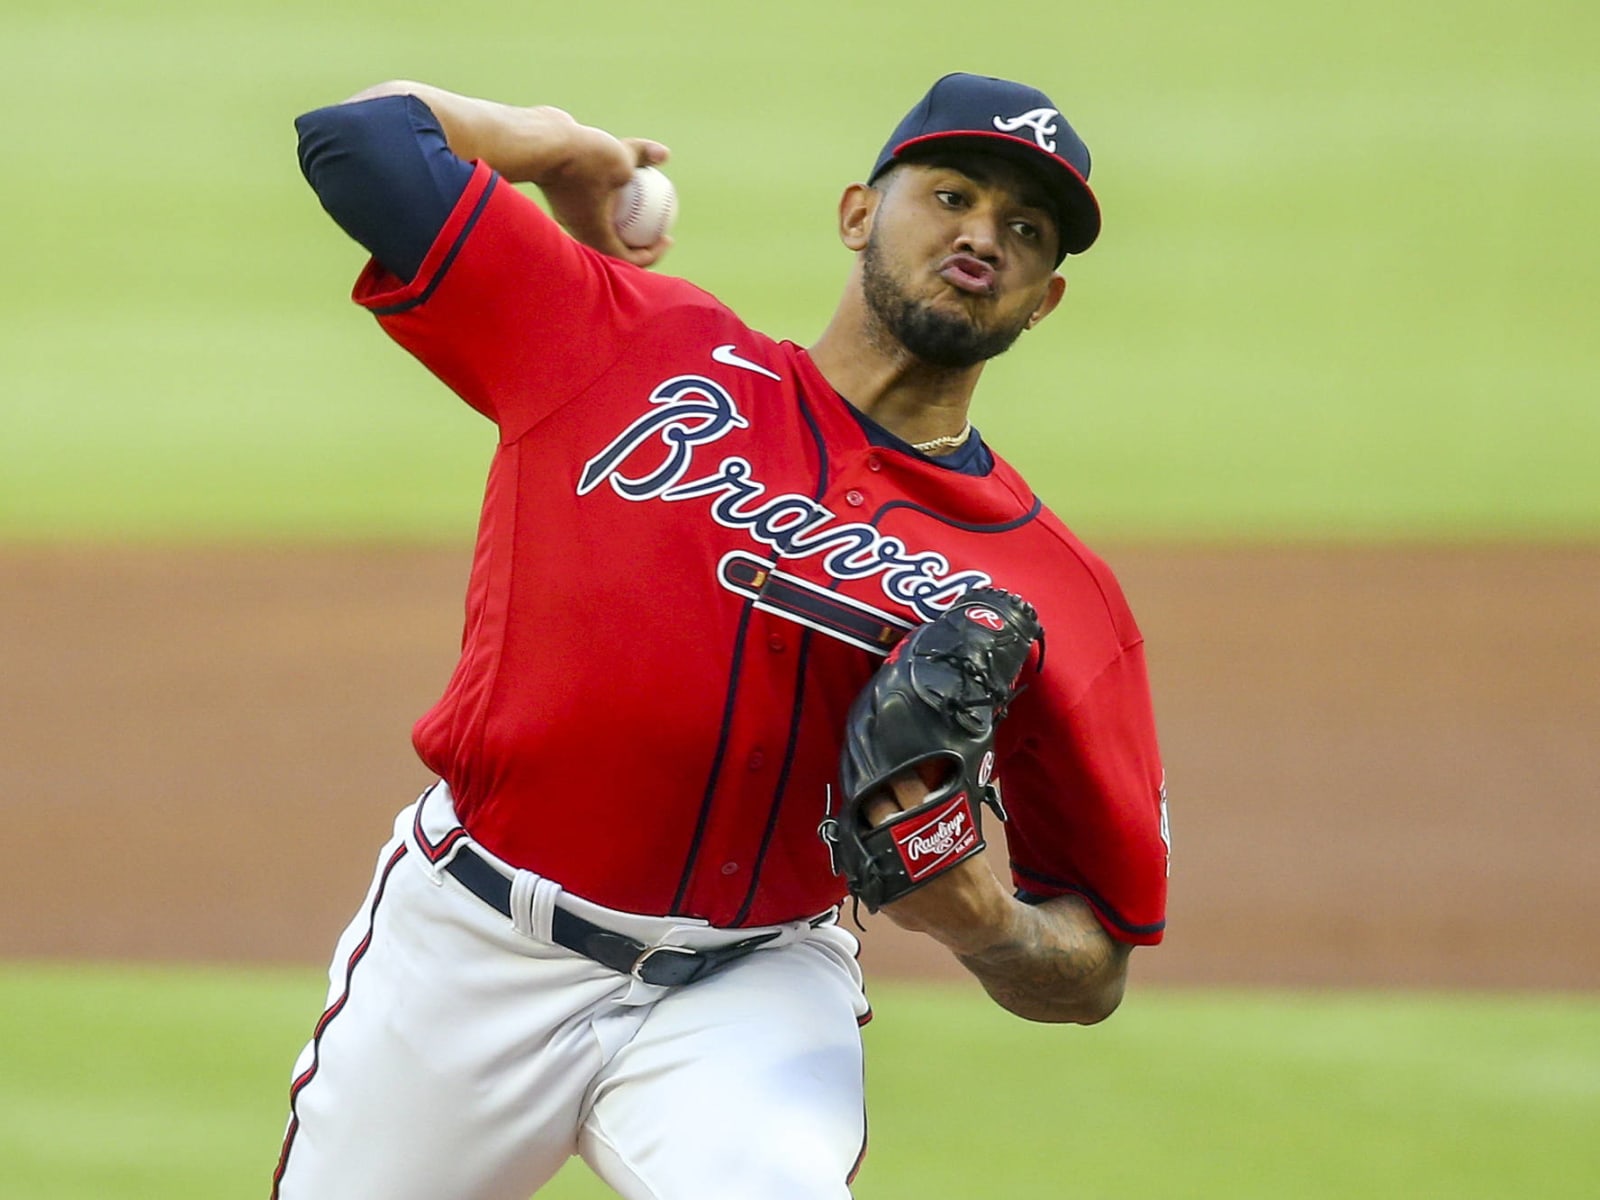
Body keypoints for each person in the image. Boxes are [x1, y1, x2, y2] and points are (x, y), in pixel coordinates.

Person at [275, 71, 1168, 1200]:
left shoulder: (1056, 591)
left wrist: (986, 923)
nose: (982, 235)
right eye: (950, 196)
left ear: (1044, 300)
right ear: (857, 212)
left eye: (1025, 229)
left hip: (749, 988)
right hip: (468, 947)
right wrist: (560, 148)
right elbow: (358, 139)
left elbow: (1091, 966)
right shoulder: (629, 344)